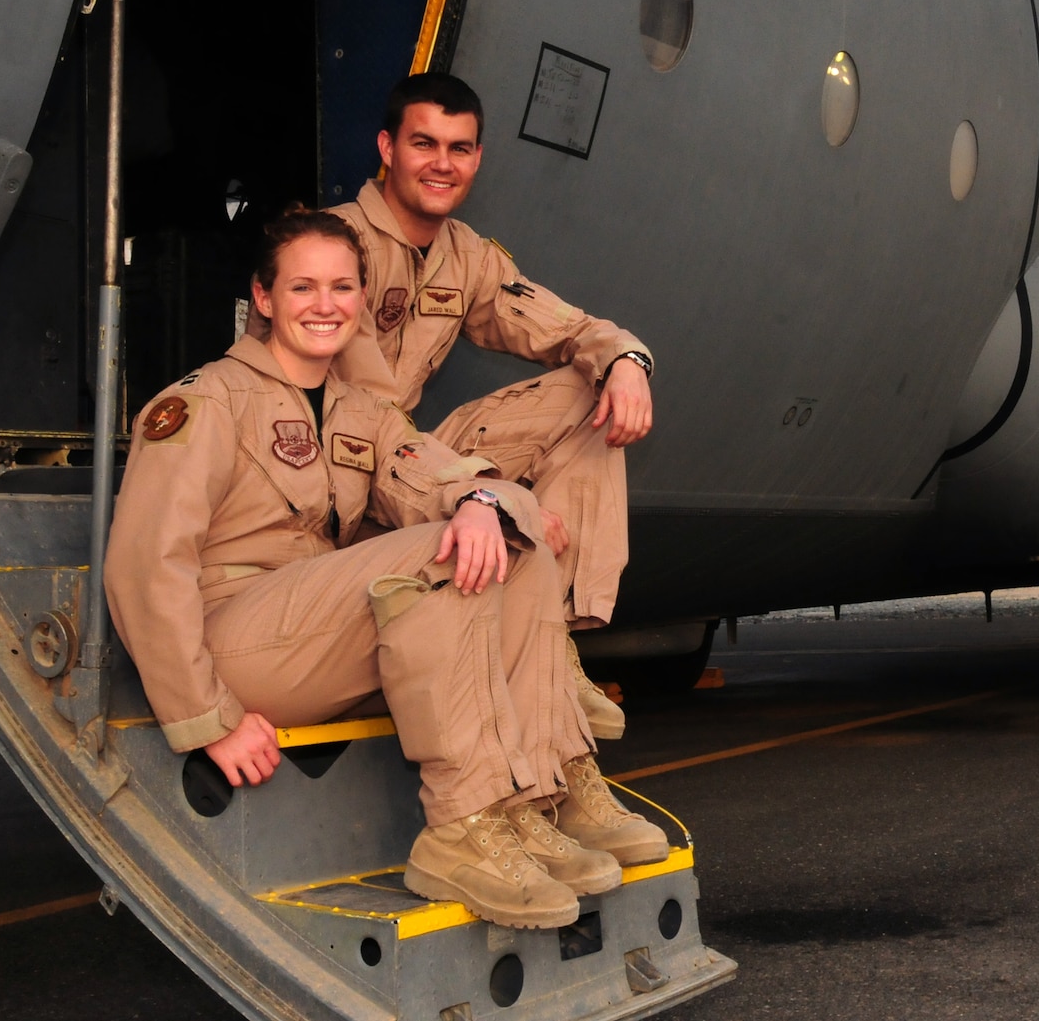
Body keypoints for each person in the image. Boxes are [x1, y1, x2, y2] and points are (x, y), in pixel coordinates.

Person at [104, 209, 667, 930]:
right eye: (303, 287)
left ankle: (532, 796)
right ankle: (460, 827)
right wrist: (206, 718)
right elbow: (147, 564)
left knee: (509, 529)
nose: (325, 304)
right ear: (265, 299)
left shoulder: (357, 410)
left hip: (311, 634)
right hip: (234, 642)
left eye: (341, 287)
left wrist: (479, 495)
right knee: (442, 551)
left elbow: (428, 469)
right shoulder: (206, 402)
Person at [326, 72, 655, 740]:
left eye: (460, 147)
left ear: (477, 158)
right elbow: (372, 417)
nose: (442, 163)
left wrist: (626, 360)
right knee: (464, 476)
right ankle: (538, 652)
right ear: (388, 148)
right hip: (339, 473)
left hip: (410, 460)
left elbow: (565, 326)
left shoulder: (464, 256)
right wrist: (492, 492)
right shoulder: (334, 246)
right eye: (425, 143)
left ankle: (550, 642)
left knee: (588, 389)